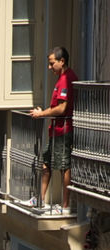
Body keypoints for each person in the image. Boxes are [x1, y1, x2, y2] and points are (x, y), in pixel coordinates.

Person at [30, 47, 77, 213]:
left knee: (64, 166)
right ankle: (40, 199)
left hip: (63, 130)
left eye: (52, 64)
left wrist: (41, 113)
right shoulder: (61, 79)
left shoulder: (66, 79)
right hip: (55, 130)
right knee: (46, 163)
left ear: (61, 61)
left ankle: (65, 206)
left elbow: (62, 108)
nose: (49, 68)